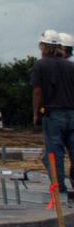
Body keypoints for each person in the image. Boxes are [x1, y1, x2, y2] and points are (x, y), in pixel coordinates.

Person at [32, 30, 74, 202]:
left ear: (43, 46)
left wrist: (36, 113)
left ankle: (60, 190)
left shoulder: (41, 65)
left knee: (54, 154)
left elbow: (37, 91)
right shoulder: (70, 66)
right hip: (72, 113)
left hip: (53, 113)